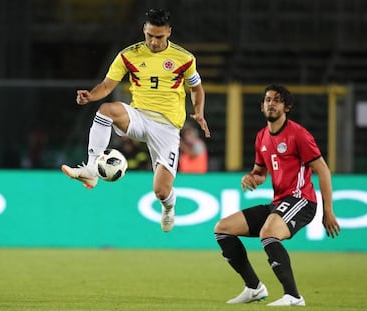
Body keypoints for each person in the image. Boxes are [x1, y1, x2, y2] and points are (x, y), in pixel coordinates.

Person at [61, 8, 210, 232]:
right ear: (144, 30)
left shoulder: (185, 58)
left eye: (159, 37)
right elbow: (107, 85)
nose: (154, 41)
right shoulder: (128, 55)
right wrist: (91, 95)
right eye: (149, 35)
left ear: (168, 32)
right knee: (106, 110)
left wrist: (199, 112)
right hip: (138, 117)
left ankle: (169, 208)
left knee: (161, 190)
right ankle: (92, 170)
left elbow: (196, 89)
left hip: (167, 128)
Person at [214, 85, 340, 306]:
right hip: (279, 202)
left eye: (277, 100)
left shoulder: (298, 134)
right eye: (267, 100)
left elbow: (323, 170)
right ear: (262, 106)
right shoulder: (262, 136)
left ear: (287, 107)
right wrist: (252, 178)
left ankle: (293, 296)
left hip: (301, 200)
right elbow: (261, 173)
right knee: (223, 229)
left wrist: (327, 211)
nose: (271, 103)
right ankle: (254, 288)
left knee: (268, 233)